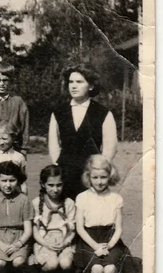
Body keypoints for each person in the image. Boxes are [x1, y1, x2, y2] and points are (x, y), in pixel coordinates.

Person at [48, 63, 118, 200]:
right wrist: (58, 164)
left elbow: (110, 147)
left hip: (90, 174)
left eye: (79, 82)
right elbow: (53, 143)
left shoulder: (102, 113)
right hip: (65, 172)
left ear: (91, 86)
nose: (73, 86)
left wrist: (98, 170)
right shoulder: (59, 112)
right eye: (71, 82)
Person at [74, 155, 127, 273]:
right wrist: (96, 246)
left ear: (110, 176)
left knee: (110, 270)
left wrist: (109, 246)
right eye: (95, 177)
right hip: (89, 240)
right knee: (97, 269)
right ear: (88, 177)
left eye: (103, 177)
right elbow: (80, 228)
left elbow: (118, 228)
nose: (99, 182)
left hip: (110, 240)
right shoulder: (82, 198)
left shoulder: (116, 198)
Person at [32, 165, 76, 273]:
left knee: (65, 263)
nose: (55, 189)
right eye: (50, 185)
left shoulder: (69, 203)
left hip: (64, 240)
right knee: (51, 264)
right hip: (44, 241)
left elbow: (73, 229)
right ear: (43, 184)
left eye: (59, 185)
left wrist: (65, 242)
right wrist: (46, 244)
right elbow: (35, 231)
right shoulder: (36, 203)